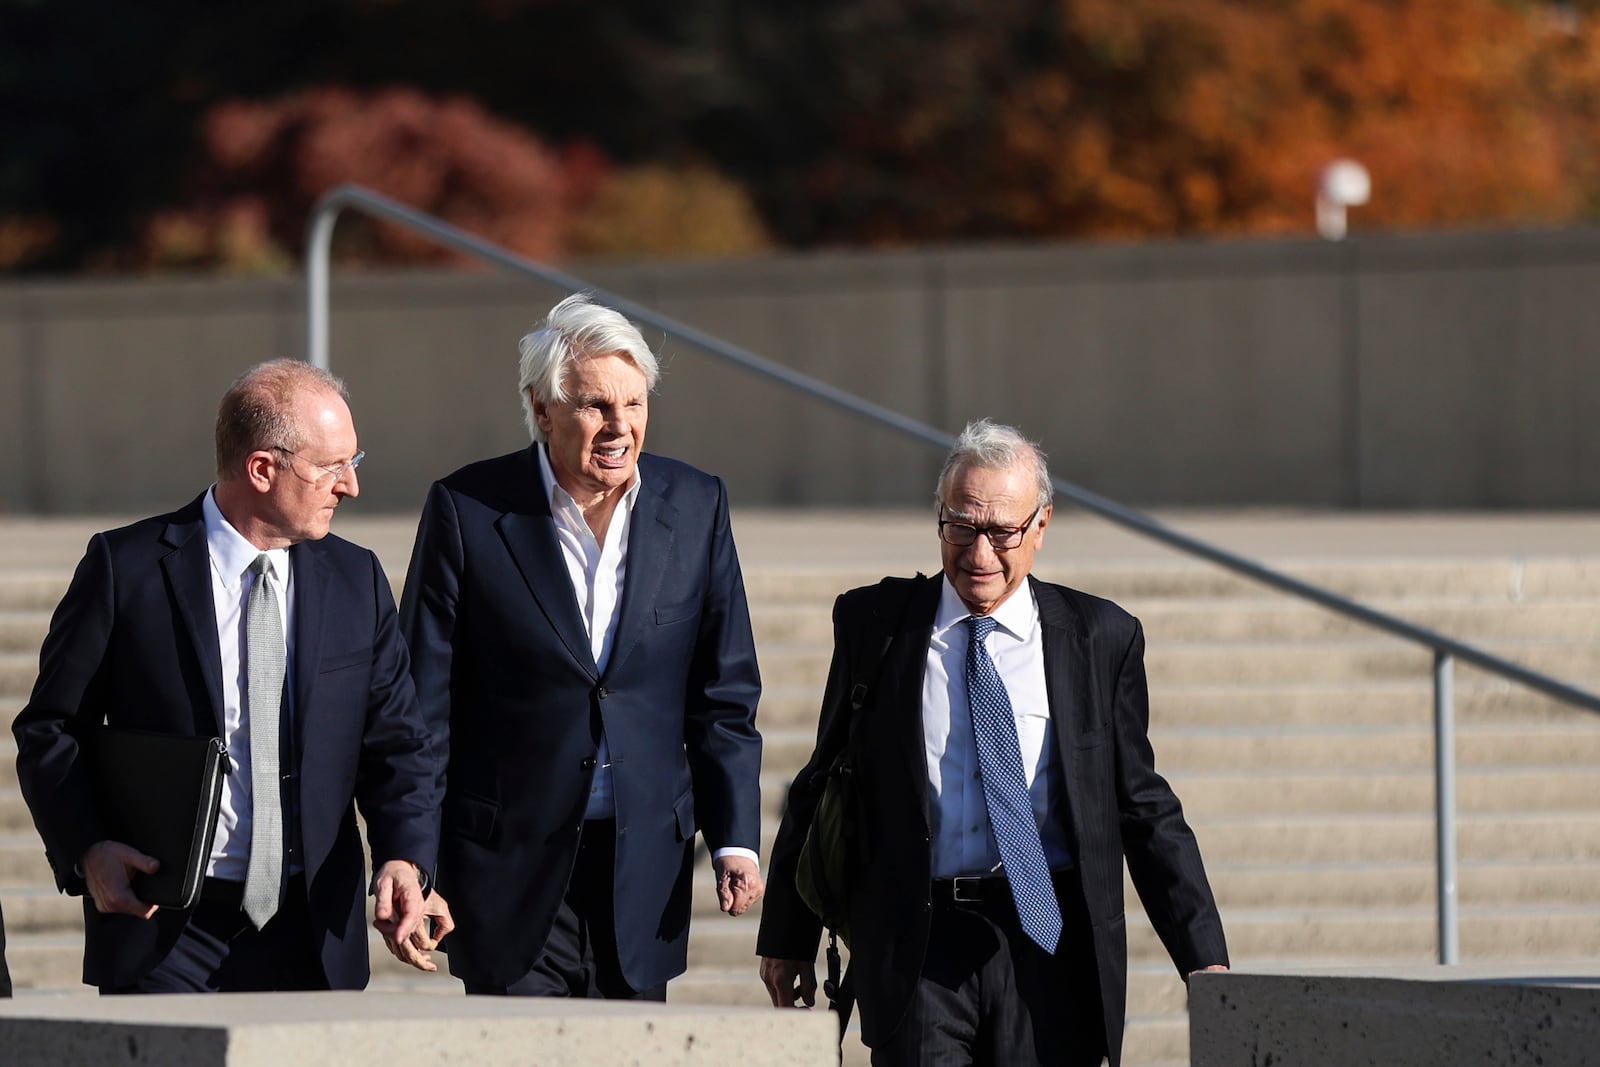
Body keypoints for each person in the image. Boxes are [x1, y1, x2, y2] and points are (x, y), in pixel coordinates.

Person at [757, 419, 1229, 1067]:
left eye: (1003, 532)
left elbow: (1143, 806)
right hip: (918, 939)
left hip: (1050, 940)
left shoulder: (1099, 638)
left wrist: (1203, 956)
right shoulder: (876, 626)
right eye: (962, 527)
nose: (980, 555)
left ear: (1041, 526)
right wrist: (787, 934)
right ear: (939, 520)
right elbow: (821, 782)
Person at [13, 359, 444, 994]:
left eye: (355, 460)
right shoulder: (126, 569)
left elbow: (399, 745)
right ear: (262, 469)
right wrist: (89, 849)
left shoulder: (358, 581)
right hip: (165, 929)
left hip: (312, 931)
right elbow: (51, 729)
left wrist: (406, 858)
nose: (350, 486)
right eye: (330, 467)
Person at [400, 292, 764, 1000]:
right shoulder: (468, 509)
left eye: (635, 404)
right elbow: (422, 710)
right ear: (542, 408)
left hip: (644, 872)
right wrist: (417, 861)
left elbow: (724, 695)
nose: (620, 426)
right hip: (506, 871)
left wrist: (735, 838)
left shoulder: (696, 505)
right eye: (596, 405)